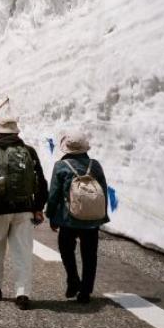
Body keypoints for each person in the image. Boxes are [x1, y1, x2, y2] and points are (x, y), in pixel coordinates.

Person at [0, 117, 48, 310]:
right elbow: (41, 181)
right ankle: (23, 293)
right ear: (17, 133)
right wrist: (38, 207)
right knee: (23, 251)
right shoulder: (29, 151)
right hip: (24, 209)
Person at [46, 130, 109, 304]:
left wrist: (51, 215)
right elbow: (102, 191)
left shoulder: (61, 166)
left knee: (66, 249)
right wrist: (101, 215)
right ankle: (86, 292)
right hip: (92, 220)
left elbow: (54, 194)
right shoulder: (95, 165)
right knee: (90, 255)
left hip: (69, 219)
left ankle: (73, 279)